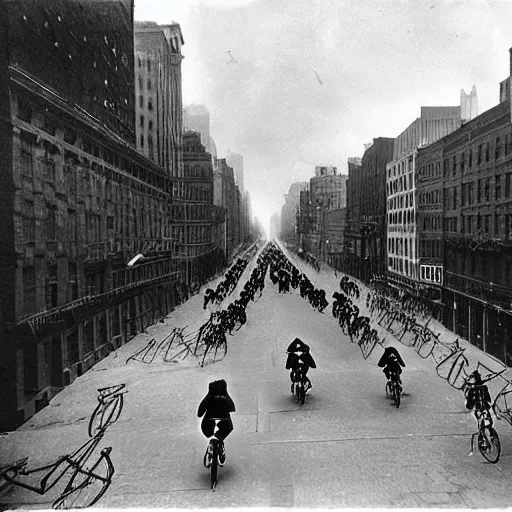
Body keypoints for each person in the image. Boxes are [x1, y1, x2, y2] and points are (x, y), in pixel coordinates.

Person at [197, 379, 235, 467]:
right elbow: (231, 407)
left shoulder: (210, 395)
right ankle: (219, 441)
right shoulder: (225, 395)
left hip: (209, 418)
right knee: (228, 428)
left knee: (207, 430)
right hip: (224, 418)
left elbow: (201, 410)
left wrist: (201, 413)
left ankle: (211, 444)